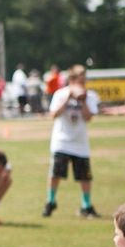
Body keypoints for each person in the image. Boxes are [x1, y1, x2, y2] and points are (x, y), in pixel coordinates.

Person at [43, 65, 100, 219]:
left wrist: (83, 101)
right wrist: (68, 99)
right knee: (55, 174)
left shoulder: (89, 96)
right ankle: (50, 201)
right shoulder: (60, 94)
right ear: (72, 80)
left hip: (80, 143)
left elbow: (88, 118)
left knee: (84, 176)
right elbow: (53, 114)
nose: (83, 84)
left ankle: (86, 205)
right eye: (80, 81)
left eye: (84, 80)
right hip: (61, 141)